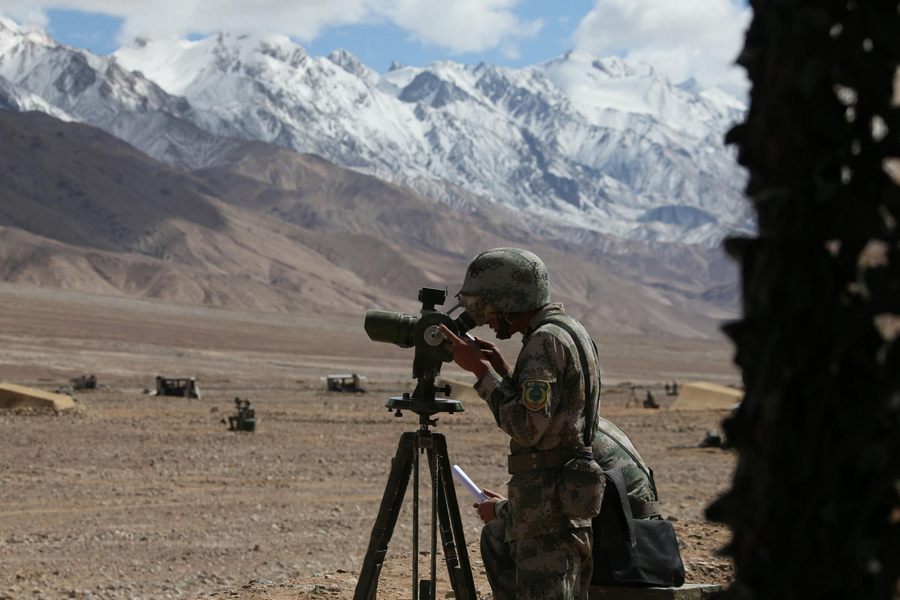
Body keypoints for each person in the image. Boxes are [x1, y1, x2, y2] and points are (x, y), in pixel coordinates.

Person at [439, 247, 602, 600]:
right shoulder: (570, 330)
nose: (487, 320)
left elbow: (529, 427)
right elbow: (555, 411)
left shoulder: (543, 341)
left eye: (488, 310)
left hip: (548, 505)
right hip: (566, 497)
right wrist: (502, 370)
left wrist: (479, 373)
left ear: (507, 301)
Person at [477, 415, 662, 594]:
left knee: (495, 534)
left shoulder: (559, 434)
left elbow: (547, 509)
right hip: (647, 539)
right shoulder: (590, 423)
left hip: (619, 551)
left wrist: (499, 509)